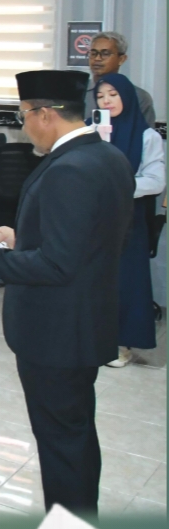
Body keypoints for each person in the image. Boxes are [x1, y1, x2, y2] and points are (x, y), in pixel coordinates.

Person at [0, 70, 135, 515]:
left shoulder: (70, 169)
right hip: (84, 319)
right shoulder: (106, 157)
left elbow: (57, 265)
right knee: (72, 433)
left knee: (61, 441)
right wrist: (21, 237)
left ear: (45, 114)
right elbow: (90, 240)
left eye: (24, 115)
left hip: (57, 330)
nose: (23, 125)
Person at [94, 74, 166, 366]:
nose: (106, 101)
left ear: (127, 97)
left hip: (128, 219)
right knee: (93, 279)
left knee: (124, 281)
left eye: (113, 94)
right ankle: (92, 337)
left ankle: (120, 344)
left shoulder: (147, 136)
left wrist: (120, 185)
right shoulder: (91, 130)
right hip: (93, 219)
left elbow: (156, 180)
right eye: (100, 96)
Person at [85, 31, 156, 125]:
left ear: (121, 59)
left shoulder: (139, 97)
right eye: (93, 53)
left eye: (105, 53)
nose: (97, 58)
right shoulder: (77, 92)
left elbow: (145, 132)